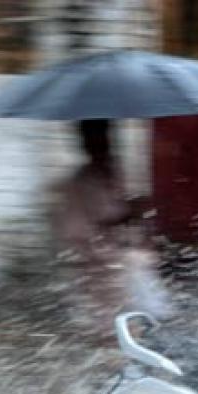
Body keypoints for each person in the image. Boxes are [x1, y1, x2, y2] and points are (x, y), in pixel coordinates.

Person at [52, 119, 167, 338]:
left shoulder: (111, 170)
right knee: (112, 306)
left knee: (131, 287)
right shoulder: (84, 178)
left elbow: (122, 211)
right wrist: (129, 214)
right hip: (95, 252)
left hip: (111, 250)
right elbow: (106, 216)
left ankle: (134, 336)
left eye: (106, 137)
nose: (104, 144)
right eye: (96, 139)